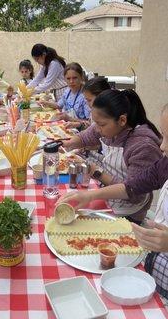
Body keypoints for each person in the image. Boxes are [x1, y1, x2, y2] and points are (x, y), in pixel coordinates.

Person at [58, 104, 168, 298]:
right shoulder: (165, 164)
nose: (162, 146)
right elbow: (132, 186)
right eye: (163, 135)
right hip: (154, 259)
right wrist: (89, 196)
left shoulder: (142, 146)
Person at [62, 89, 162, 222]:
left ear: (122, 120)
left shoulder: (143, 146)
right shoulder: (109, 127)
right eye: (95, 123)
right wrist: (67, 143)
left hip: (128, 211)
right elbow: (87, 136)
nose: (97, 129)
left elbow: (134, 192)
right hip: (106, 195)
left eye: (101, 124)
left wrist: (96, 172)